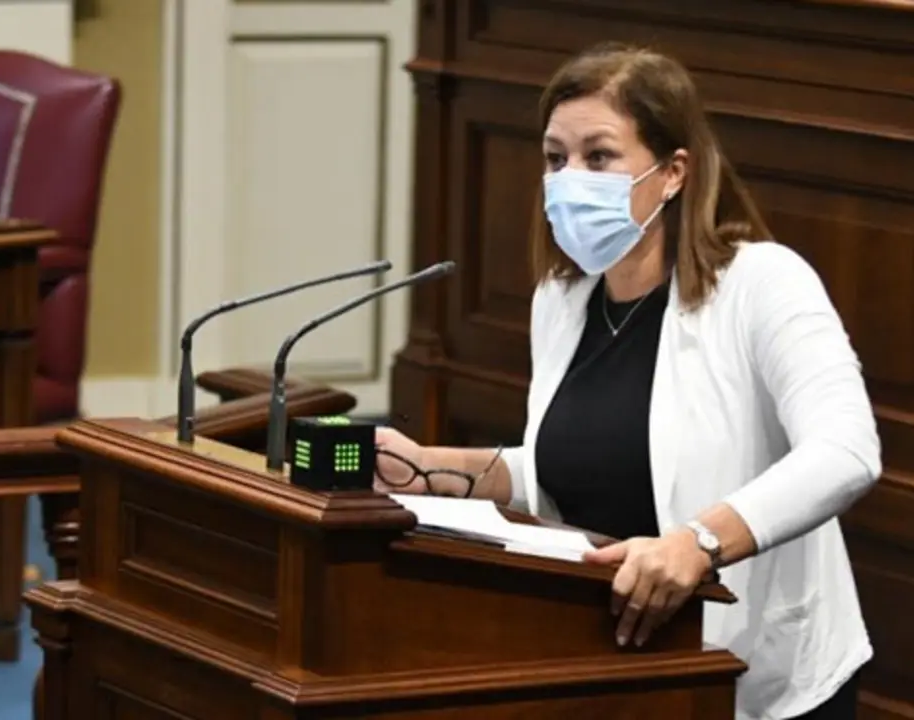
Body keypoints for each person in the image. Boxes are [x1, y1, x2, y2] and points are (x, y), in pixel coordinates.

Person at [375, 42, 881, 720]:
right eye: (555, 158)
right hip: (607, 665)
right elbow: (576, 464)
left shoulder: (762, 283)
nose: (570, 179)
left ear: (673, 172)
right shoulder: (562, 299)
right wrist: (431, 468)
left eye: (599, 157)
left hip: (754, 675)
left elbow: (847, 452)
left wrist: (699, 542)